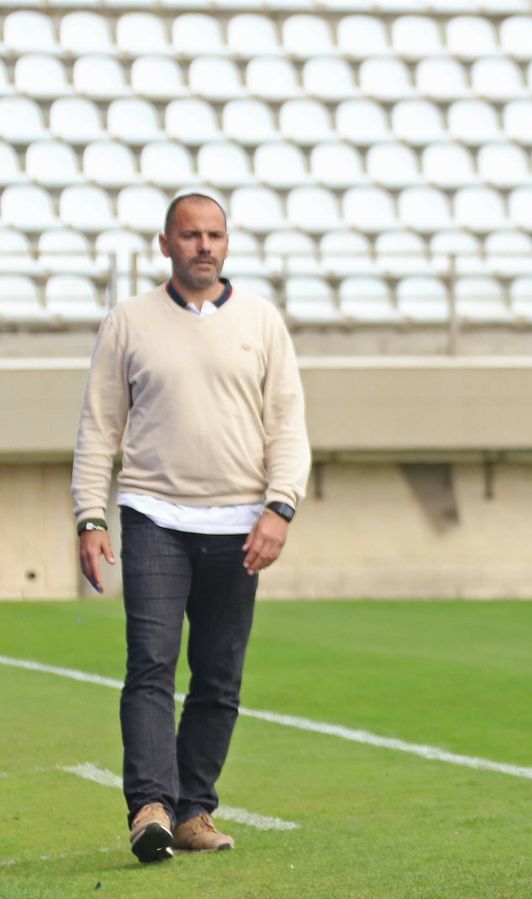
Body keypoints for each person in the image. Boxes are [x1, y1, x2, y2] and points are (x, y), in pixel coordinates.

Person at [71, 193, 311, 863]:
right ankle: (150, 806)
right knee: (150, 662)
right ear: (165, 244)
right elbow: (98, 426)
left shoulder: (261, 321)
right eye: (190, 235)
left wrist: (279, 507)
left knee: (218, 676)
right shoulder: (128, 322)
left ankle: (192, 810)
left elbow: (288, 426)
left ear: (226, 244)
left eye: (214, 235)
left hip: (240, 525)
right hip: (154, 515)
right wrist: (90, 514)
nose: (204, 246)